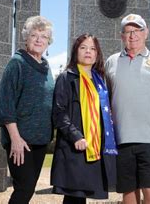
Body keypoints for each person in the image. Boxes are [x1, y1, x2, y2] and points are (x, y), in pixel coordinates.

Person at [105, 14, 150, 204]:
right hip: (122, 140)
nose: (132, 35)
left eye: (137, 31)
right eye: (128, 31)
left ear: (146, 33)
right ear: (122, 36)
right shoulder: (111, 62)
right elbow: (106, 101)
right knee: (128, 192)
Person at [51, 33, 118, 204]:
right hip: (75, 145)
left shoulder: (101, 80)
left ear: (97, 54)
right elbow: (59, 113)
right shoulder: (67, 78)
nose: (88, 52)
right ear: (76, 52)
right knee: (74, 197)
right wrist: (76, 136)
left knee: (82, 197)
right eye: (83, 48)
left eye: (92, 48)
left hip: (95, 146)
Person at [0, 15, 55, 204]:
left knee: (27, 190)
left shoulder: (46, 67)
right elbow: (5, 104)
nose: (39, 40)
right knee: (23, 189)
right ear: (26, 38)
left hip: (40, 140)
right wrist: (15, 139)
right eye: (34, 35)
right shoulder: (17, 63)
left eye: (43, 36)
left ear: (48, 42)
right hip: (20, 141)